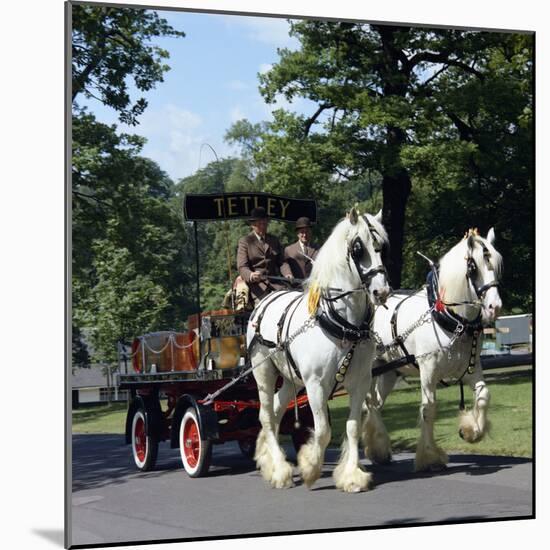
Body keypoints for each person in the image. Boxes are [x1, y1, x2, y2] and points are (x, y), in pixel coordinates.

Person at [236, 207, 293, 306]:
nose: (263, 226)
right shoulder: (245, 241)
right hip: (257, 287)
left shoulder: (274, 240)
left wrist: (287, 273)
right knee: (265, 309)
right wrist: (251, 275)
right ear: (253, 225)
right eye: (260, 224)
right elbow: (242, 267)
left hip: (276, 285)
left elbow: (282, 262)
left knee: (289, 304)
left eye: (265, 223)